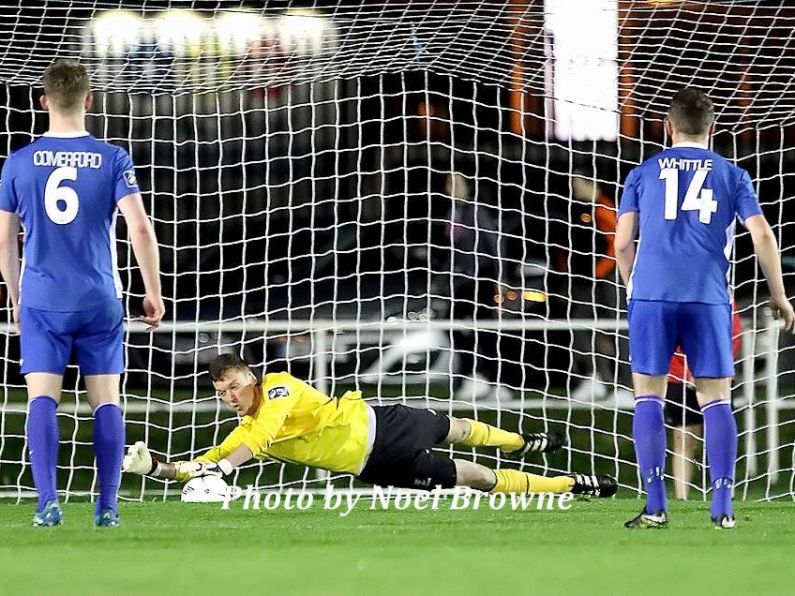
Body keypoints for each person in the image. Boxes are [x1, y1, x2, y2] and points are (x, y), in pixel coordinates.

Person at [615, 87, 795, 529]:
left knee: (649, 397)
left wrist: (634, 288)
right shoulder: (733, 175)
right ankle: (723, 510)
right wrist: (779, 294)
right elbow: (763, 236)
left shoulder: (641, 173)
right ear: (712, 128)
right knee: (715, 400)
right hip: (709, 296)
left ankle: (656, 506)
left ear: (667, 127)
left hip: (652, 297)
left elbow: (621, 243)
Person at [0, 59, 165, 527]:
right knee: (107, 401)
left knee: (42, 400)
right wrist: (152, 291)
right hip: (99, 297)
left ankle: (48, 503)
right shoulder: (113, 158)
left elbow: (3, 239)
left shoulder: (19, 162)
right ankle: (107, 508)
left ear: (43, 101)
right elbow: (140, 227)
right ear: (89, 101)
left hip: (43, 298)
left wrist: (15, 294)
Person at [122, 353, 618, 499]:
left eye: (232, 385)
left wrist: (227, 468)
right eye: (220, 393)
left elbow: (259, 434)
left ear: (249, 376)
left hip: (383, 423)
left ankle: (524, 442)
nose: (229, 397)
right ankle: (573, 484)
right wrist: (157, 468)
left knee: (458, 428)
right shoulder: (243, 435)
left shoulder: (277, 386)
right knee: (474, 477)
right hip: (376, 465)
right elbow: (204, 464)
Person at [565, 168, 631, 405]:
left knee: (619, 329)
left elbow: (617, 245)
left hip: (611, 278)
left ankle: (626, 387)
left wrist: (599, 273)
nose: (573, 188)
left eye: (577, 183)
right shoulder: (583, 210)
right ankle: (597, 378)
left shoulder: (603, 208)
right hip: (593, 280)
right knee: (580, 321)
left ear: (591, 183)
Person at [444, 172, 510, 400]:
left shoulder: (476, 211)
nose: (454, 188)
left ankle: (493, 381)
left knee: (484, 330)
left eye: (458, 184)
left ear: (468, 188)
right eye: (450, 184)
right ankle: (472, 375)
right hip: (460, 282)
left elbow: (494, 243)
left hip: (480, 279)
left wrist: (501, 278)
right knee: (455, 327)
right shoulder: (450, 214)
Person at [666, 304, 741, 500]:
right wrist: (687, 373)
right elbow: (668, 337)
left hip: (715, 375)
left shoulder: (723, 299)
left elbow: (732, 337)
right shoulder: (673, 297)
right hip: (679, 377)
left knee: (720, 436)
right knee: (683, 439)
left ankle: (725, 491)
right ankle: (682, 496)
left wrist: (709, 369)